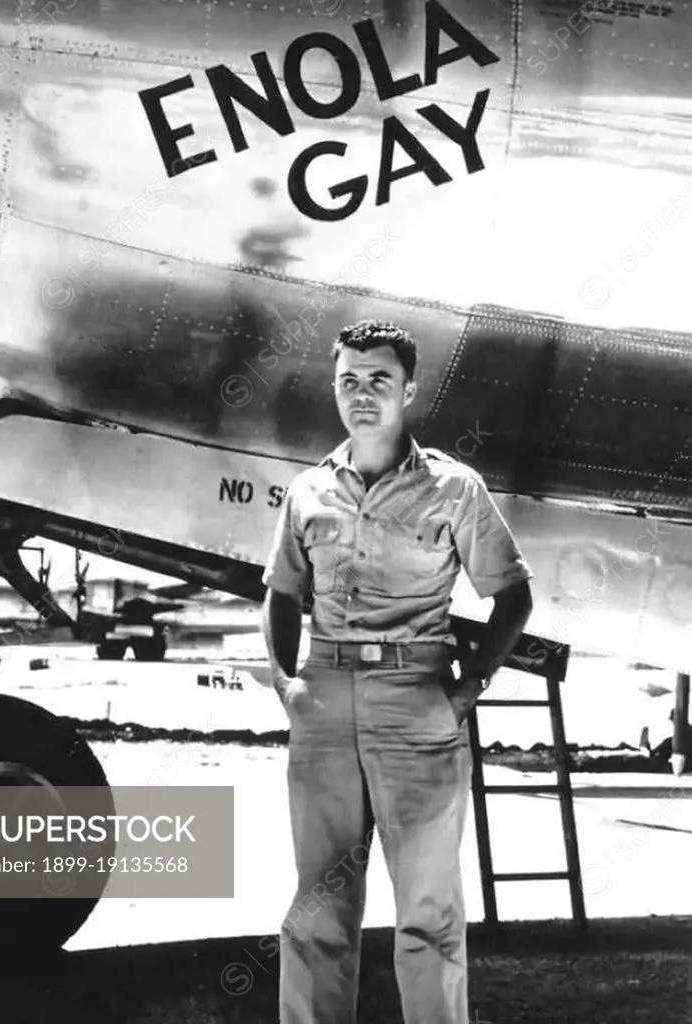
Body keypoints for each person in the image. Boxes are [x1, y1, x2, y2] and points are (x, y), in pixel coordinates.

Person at [260, 319, 534, 1024]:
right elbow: (282, 593)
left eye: (378, 379)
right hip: (323, 700)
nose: (361, 393)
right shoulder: (307, 491)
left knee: (428, 915)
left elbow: (512, 596)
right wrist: (288, 686)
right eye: (347, 379)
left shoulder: (453, 488)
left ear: (408, 390)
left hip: (417, 699)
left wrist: (467, 691)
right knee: (316, 911)